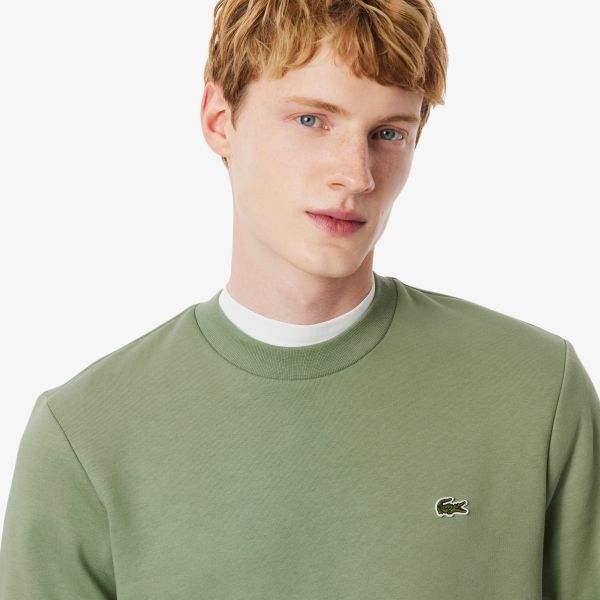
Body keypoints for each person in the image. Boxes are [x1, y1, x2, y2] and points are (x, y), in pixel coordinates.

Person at [1, 0, 598, 598]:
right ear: (219, 120)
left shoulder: (536, 390)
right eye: (312, 120)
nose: (356, 175)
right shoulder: (84, 436)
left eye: (388, 133)